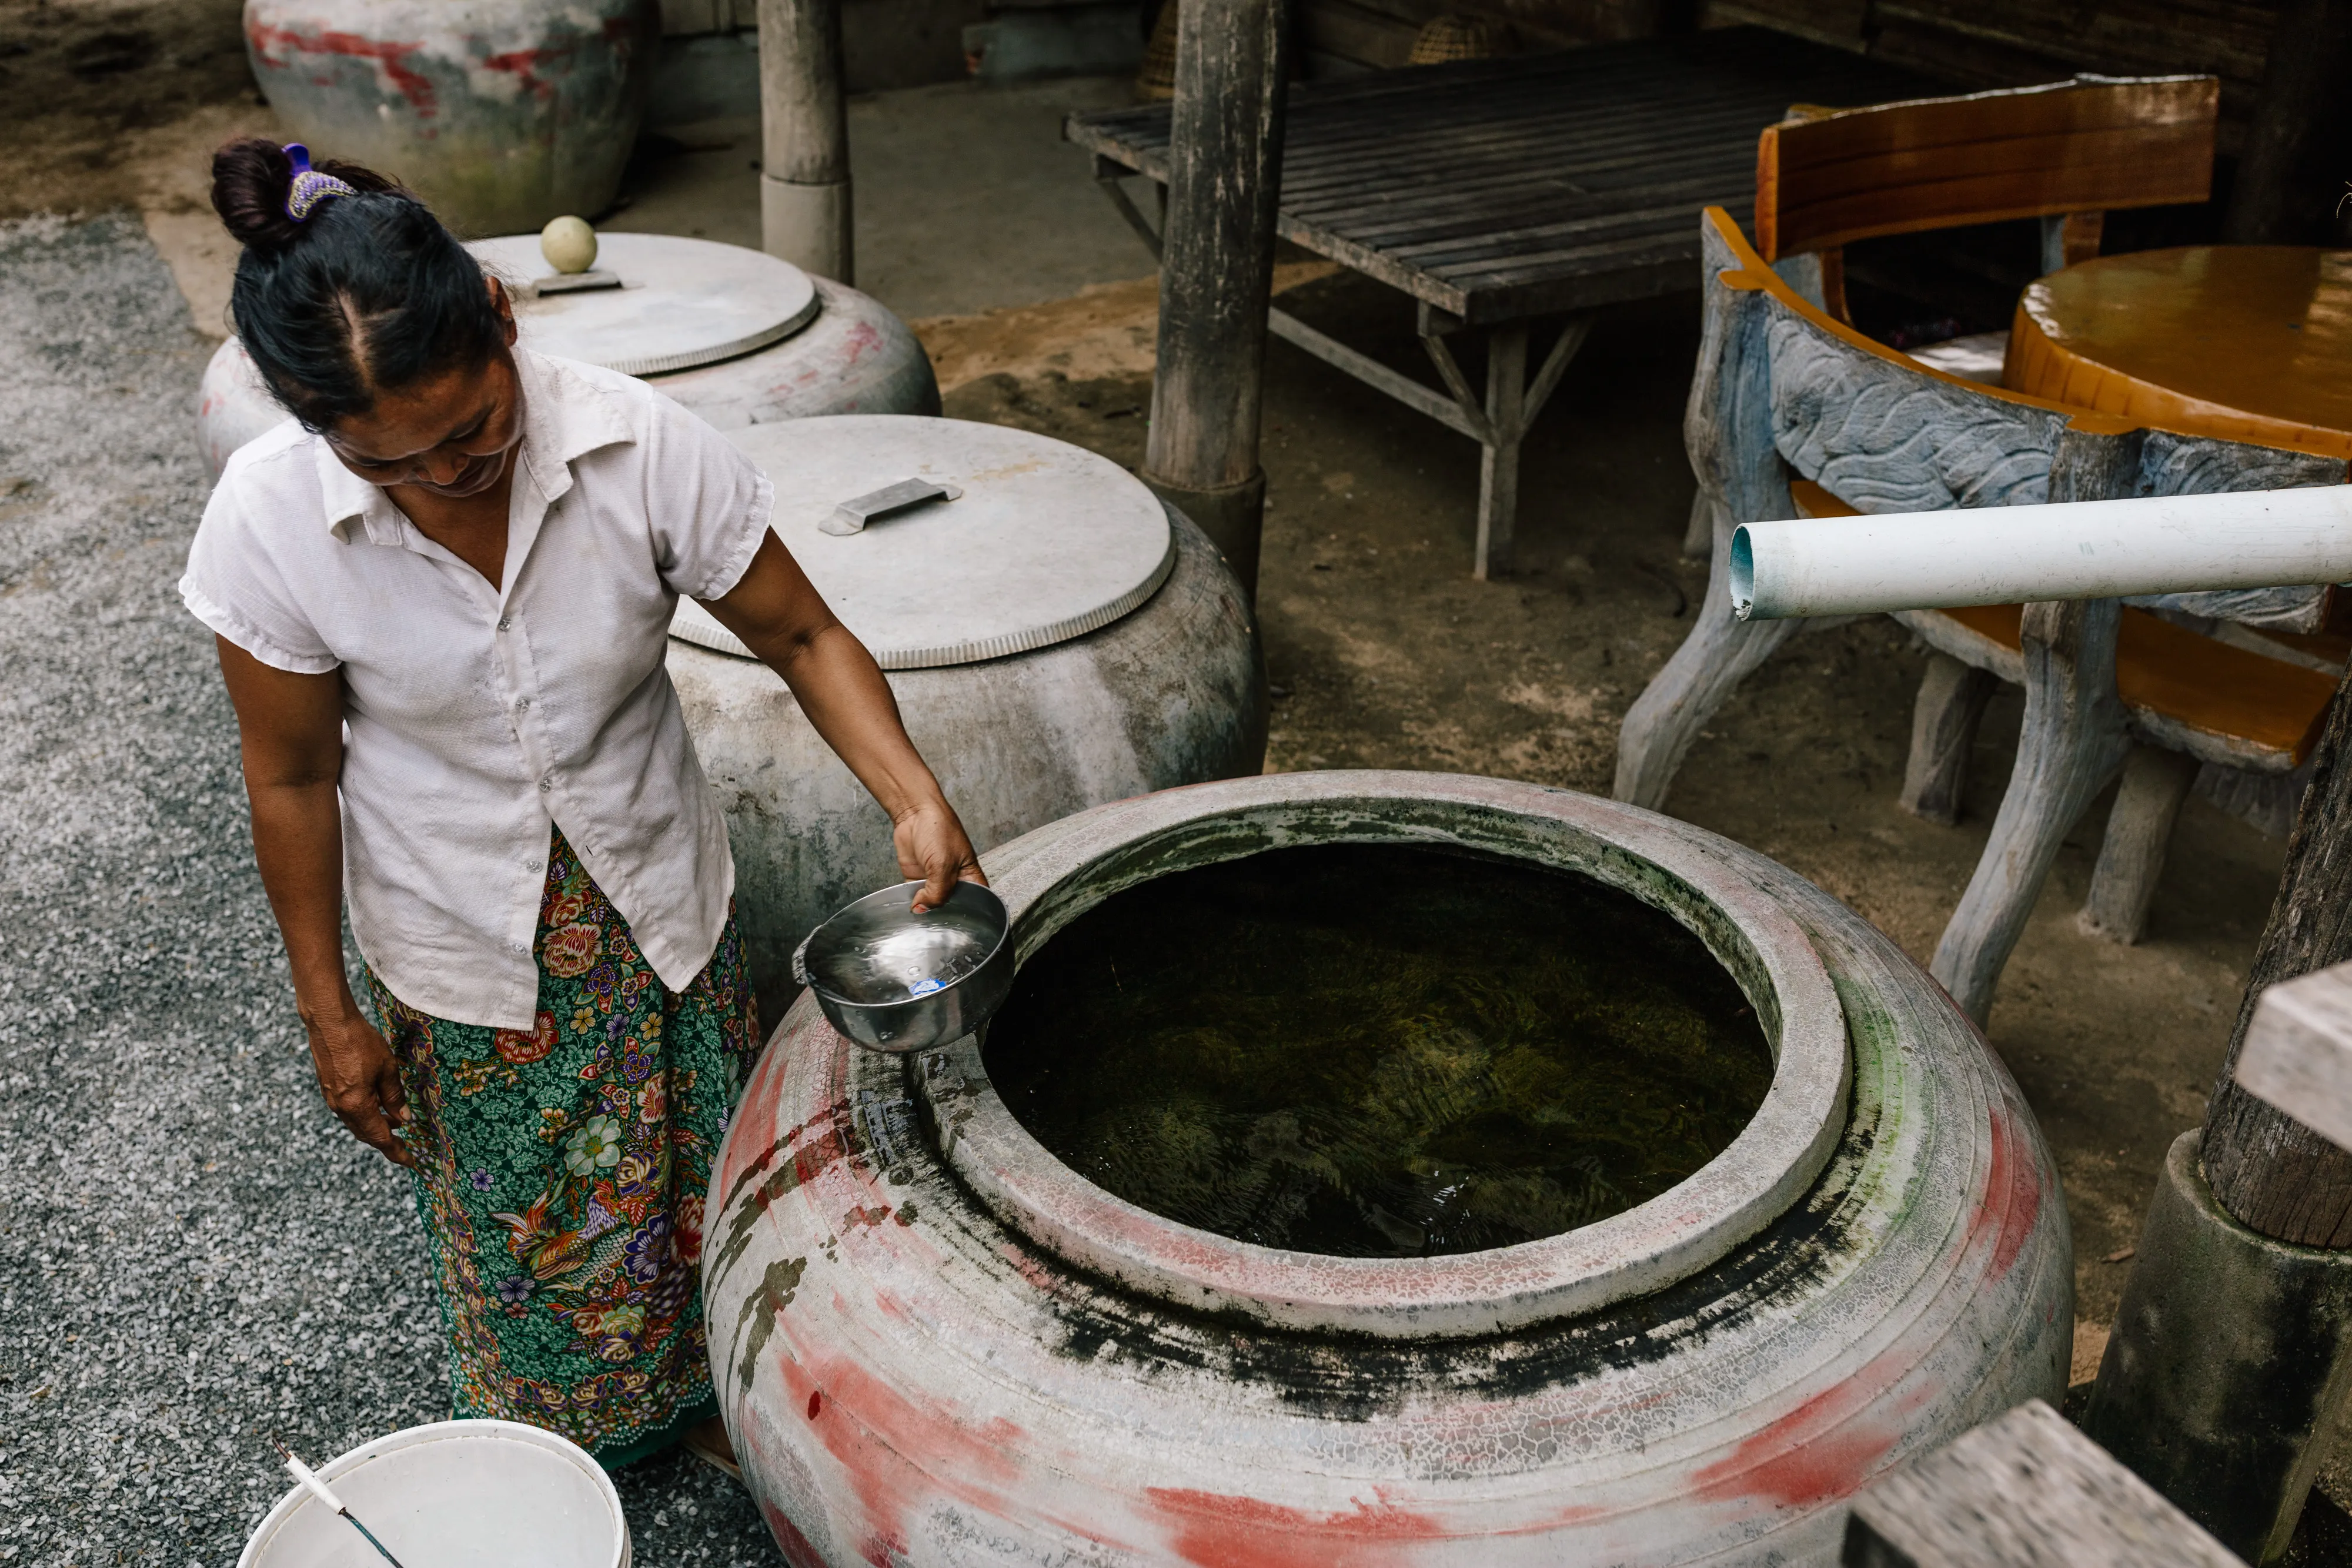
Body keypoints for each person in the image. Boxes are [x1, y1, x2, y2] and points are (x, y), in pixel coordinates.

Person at [181, 139, 983, 1473]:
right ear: (317, 428)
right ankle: (567, 1454)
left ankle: (717, 1388)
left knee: (694, 1164)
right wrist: (328, 1015)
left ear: (501, 317)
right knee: (539, 1227)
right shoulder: (267, 524)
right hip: (461, 928)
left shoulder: (636, 442)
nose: (449, 476)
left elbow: (797, 633)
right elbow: (293, 776)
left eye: (474, 430)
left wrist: (912, 795)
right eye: (395, 464)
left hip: (655, 883)